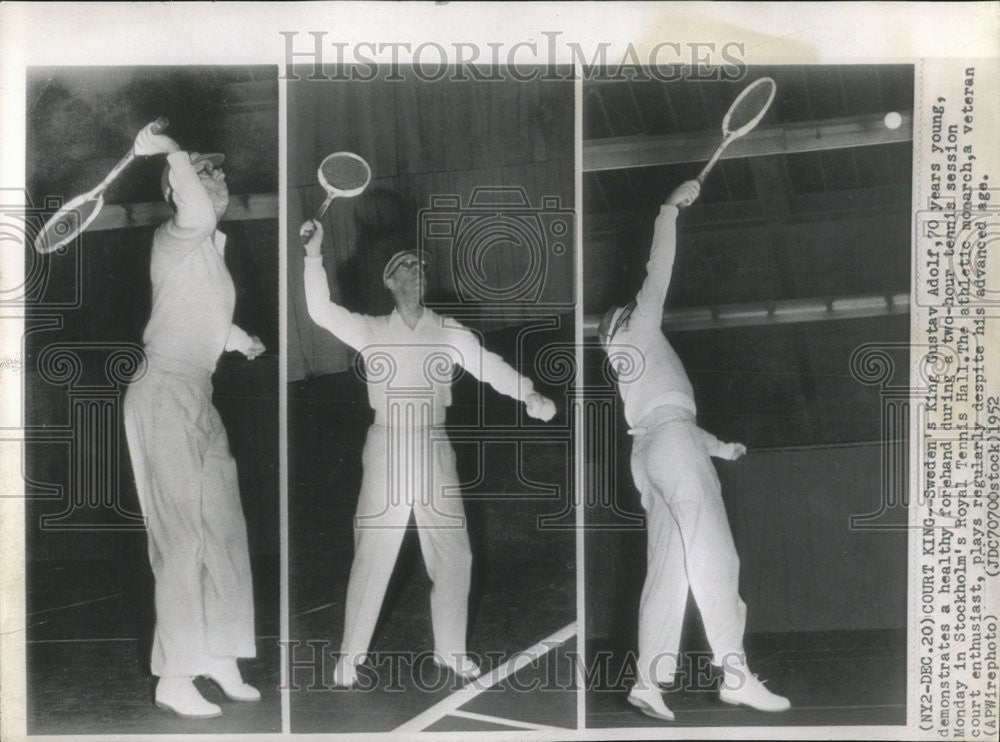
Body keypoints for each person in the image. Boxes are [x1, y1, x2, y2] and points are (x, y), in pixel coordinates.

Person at [301, 219, 557, 687]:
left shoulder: (448, 331)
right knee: (375, 552)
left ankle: (451, 653)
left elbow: (486, 365)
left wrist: (529, 394)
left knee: (454, 553)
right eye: (405, 265)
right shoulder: (371, 329)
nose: (416, 269)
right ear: (388, 281)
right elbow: (319, 311)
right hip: (389, 445)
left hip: (435, 445)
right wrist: (313, 256)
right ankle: (349, 658)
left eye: (419, 264)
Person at [598, 180, 790, 721]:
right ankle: (735, 674)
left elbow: (667, 423)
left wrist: (720, 448)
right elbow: (656, 274)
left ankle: (648, 682)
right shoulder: (638, 331)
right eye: (627, 311)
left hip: (654, 453)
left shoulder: (631, 371)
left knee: (672, 569)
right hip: (672, 445)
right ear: (619, 326)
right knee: (715, 556)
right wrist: (669, 211)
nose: (633, 308)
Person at [123, 124, 265, 719]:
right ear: (180, 191)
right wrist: (175, 152)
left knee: (224, 531)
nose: (220, 181)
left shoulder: (207, 249)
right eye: (207, 175)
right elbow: (199, 215)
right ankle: (175, 676)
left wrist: (236, 339)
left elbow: (194, 310)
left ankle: (221, 654)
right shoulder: (178, 234)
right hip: (160, 395)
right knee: (180, 539)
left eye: (220, 173)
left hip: (198, 396)